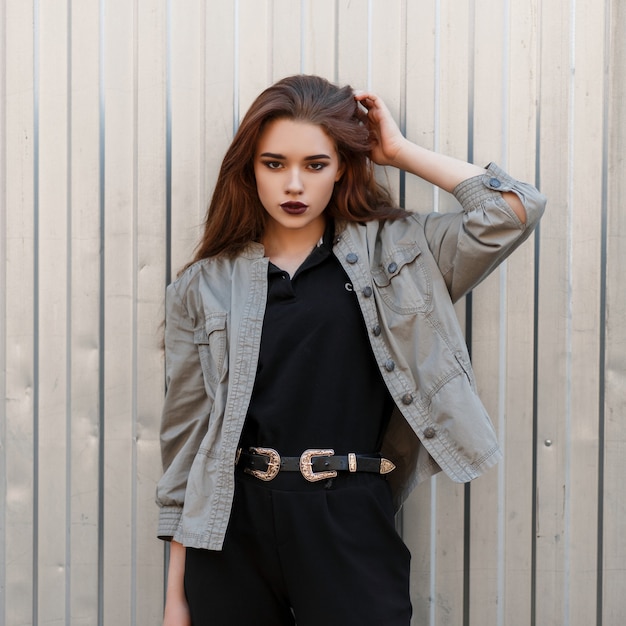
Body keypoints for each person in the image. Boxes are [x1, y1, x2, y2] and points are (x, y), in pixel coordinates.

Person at [156, 74, 546, 626]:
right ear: (250, 169)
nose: (294, 184)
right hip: (230, 525)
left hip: (350, 513)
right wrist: (177, 598)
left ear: (341, 167)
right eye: (274, 164)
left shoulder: (403, 252)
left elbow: (513, 210)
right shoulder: (201, 286)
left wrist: (399, 152)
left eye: (315, 164)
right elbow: (187, 447)